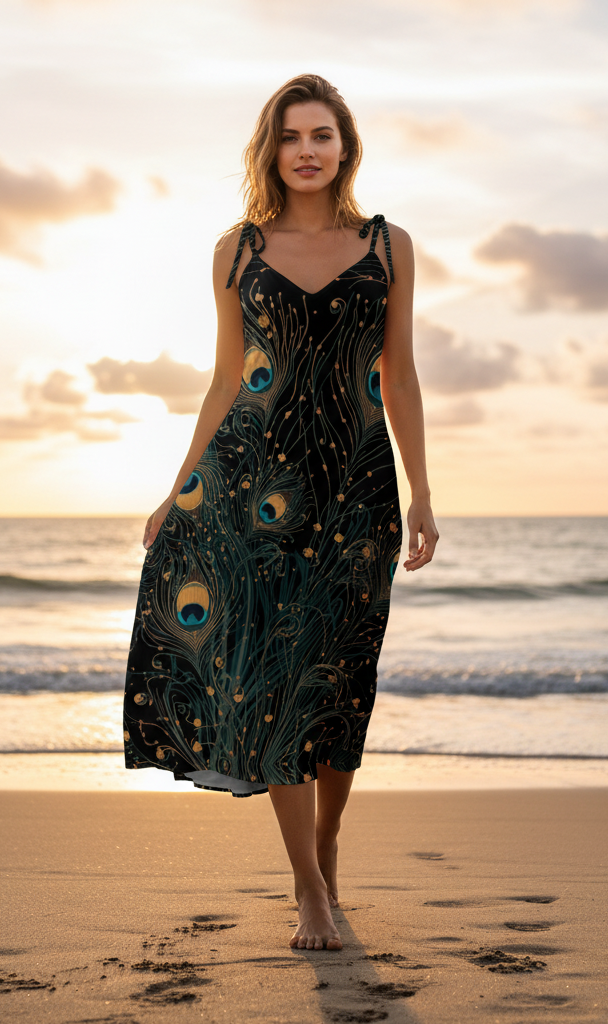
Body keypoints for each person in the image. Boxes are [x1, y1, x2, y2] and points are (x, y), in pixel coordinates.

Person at [123, 73, 438, 952]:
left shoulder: (390, 245)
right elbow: (226, 380)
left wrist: (420, 492)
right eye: (292, 136)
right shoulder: (235, 250)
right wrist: (178, 483)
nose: (308, 149)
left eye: (323, 136)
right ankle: (307, 888)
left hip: (358, 486)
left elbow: (399, 375)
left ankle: (327, 845)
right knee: (274, 686)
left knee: (341, 684)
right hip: (250, 486)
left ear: (346, 148)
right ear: (272, 150)